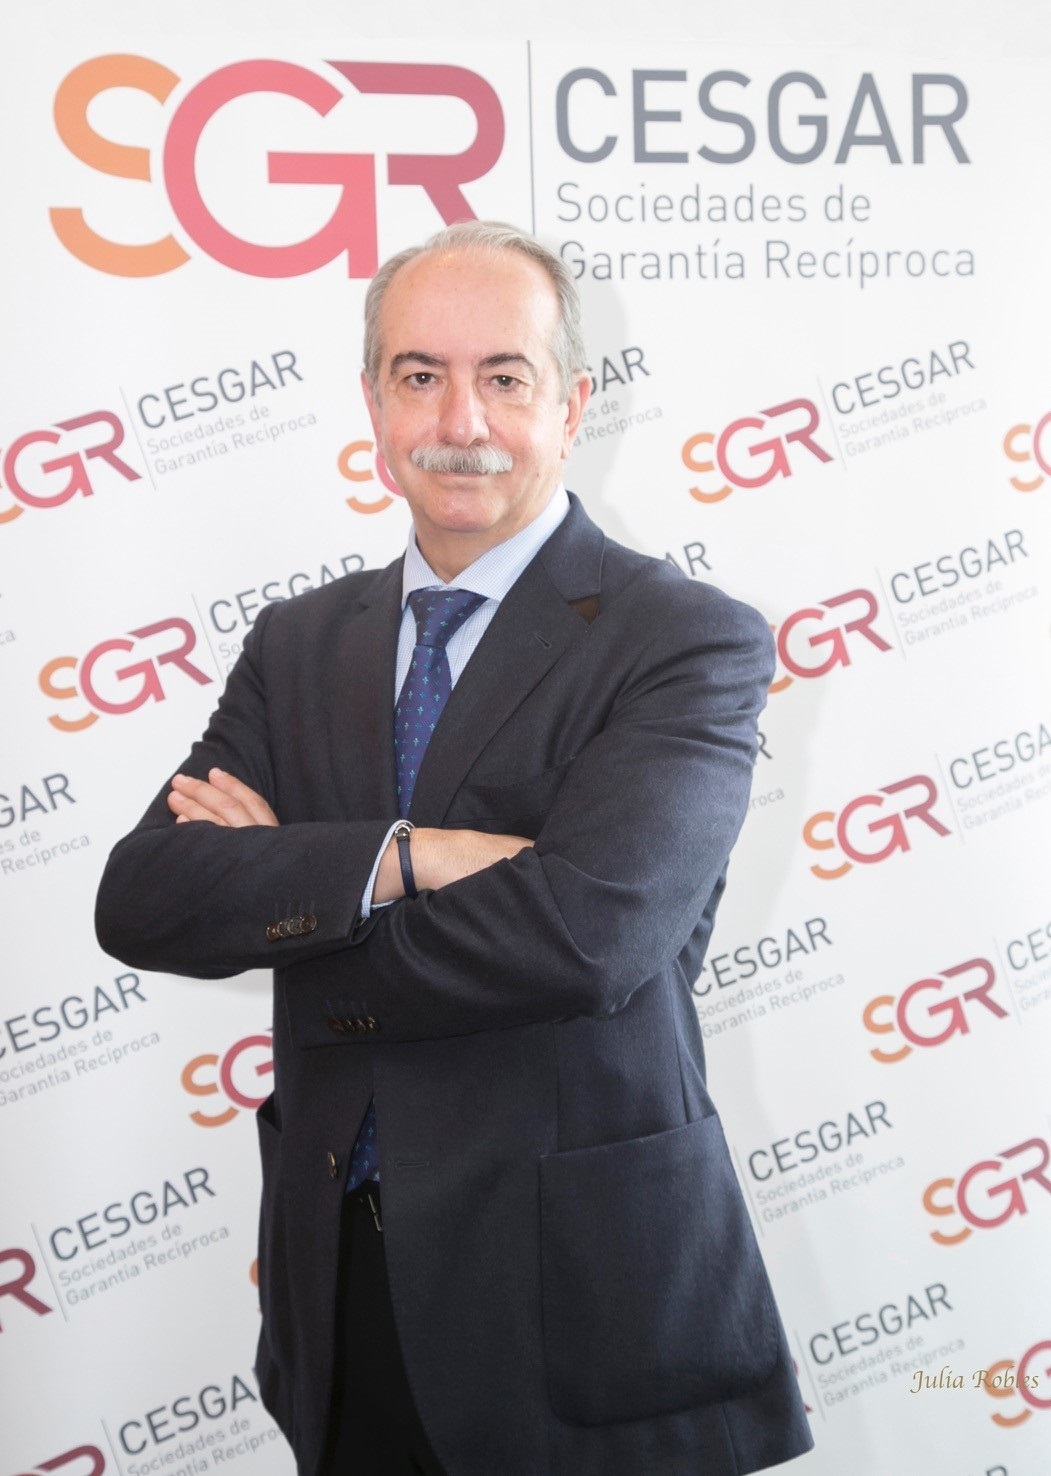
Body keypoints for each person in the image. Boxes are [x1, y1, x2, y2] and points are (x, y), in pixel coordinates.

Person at [95, 221, 814, 1476]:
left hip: (581, 1302)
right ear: (373, 402)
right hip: (341, 1293)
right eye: (419, 375)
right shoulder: (298, 645)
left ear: (572, 404)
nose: (459, 420)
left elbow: (589, 936)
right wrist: (401, 858)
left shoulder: (682, 638)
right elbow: (144, 897)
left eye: (504, 377)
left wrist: (297, 897)